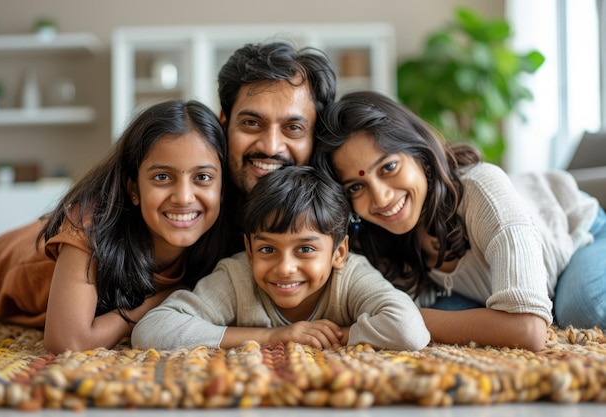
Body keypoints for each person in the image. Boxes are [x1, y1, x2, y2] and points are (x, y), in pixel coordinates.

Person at [313, 90, 605, 352]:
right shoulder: (373, 234)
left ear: (420, 154)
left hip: (579, 236)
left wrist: (409, 317)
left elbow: (528, 331)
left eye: (389, 167)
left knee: (581, 308)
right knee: (441, 314)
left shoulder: (481, 190)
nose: (380, 197)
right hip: (482, 290)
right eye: (355, 187)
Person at [0, 99, 231, 353]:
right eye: (162, 177)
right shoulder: (90, 222)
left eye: (202, 177)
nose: (184, 197)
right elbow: (68, 342)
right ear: (133, 188)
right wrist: (154, 303)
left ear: (222, 188)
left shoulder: (224, 239)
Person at [132, 165, 430, 352]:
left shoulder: (351, 276)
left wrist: (326, 336)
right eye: (267, 250)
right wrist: (276, 335)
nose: (285, 268)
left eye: (305, 249)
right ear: (249, 250)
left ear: (339, 252)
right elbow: (151, 330)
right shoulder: (236, 277)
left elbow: (408, 331)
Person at [217, 41, 337, 252]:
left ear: (316, 136)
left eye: (293, 127)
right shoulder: (193, 214)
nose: (271, 147)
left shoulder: (345, 223)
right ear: (224, 124)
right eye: (252, 123)